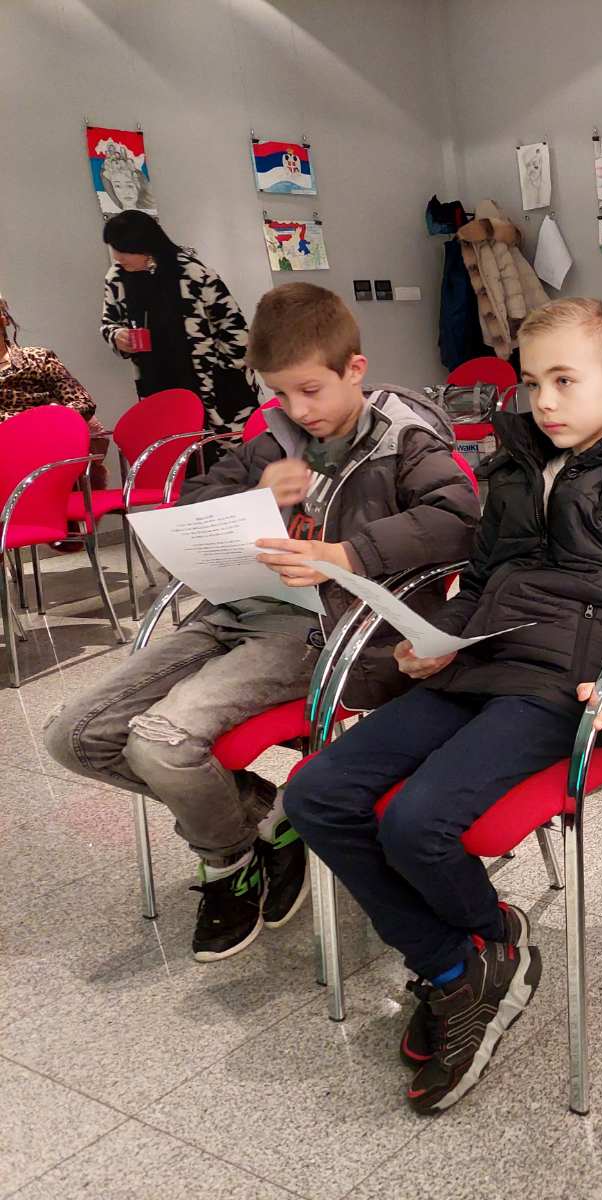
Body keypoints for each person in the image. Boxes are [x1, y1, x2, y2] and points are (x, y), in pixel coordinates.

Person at [282, 299, 602, 1114]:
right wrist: (441, 637)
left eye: (565, 381)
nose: (543, 401)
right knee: (315, 793)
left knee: (416, 822)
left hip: (573, 686)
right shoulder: (515, 466)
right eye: (531, 382)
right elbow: (481, 581)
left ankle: (464, 964)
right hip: (481, 664)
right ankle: (467, 962)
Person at [44, 283, 478, 963]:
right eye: (281, 394)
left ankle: (228, 862)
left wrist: (346, 553)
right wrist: (255, 492)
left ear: (354, 370)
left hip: (329, 631)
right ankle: (267, 819)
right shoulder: (277, 440)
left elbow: (458, 519)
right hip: (236, 610)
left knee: (160, 743)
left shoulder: (405, 439)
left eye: (311, 390)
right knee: (73, 736)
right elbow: (193, 504)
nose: (298, 409)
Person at [100, 211, 257, 435]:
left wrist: (224, 373)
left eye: (123, 250)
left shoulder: (193, 273)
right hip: (156, 382)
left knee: (223, 446)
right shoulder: (117, 278)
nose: (117, 257)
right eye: (113, 248)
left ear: (145, 246)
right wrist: (117, 336)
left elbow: (234, 327)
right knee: (172, 445)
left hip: (212, 384)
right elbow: (109, 322)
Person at [0, 292, 98, 421]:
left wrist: (52, 417)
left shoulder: (38, 359)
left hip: (47, 429)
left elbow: (83, 402)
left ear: (3, 320)